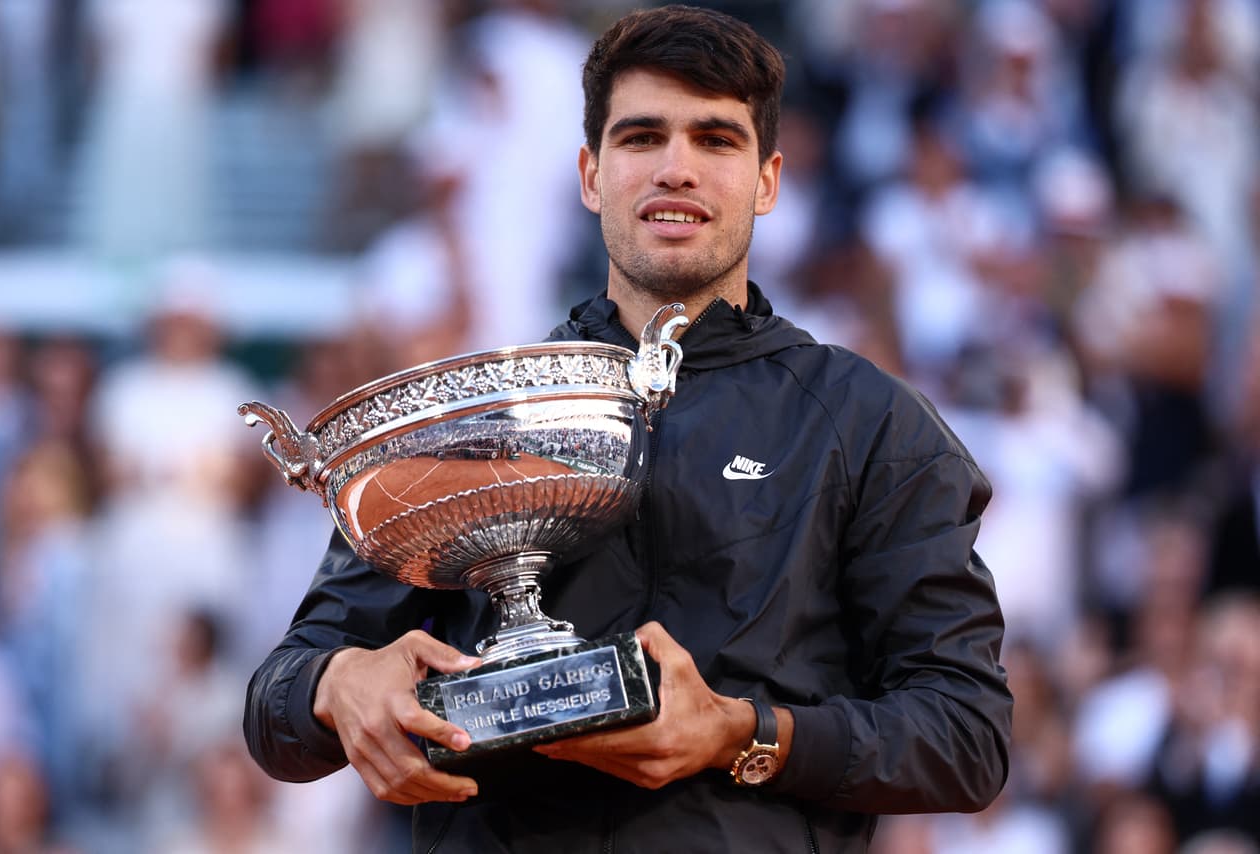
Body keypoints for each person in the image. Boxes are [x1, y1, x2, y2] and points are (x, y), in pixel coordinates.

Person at [244, 6, 1012, 852]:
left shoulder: (870, 424)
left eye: (716, 140)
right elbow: (276, 703)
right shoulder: (479, 411)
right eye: (642, 137)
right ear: (589, 173)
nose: (676, 169)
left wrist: (742, 732)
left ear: (767, 180)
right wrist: (339, 683)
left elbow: (967, 736)